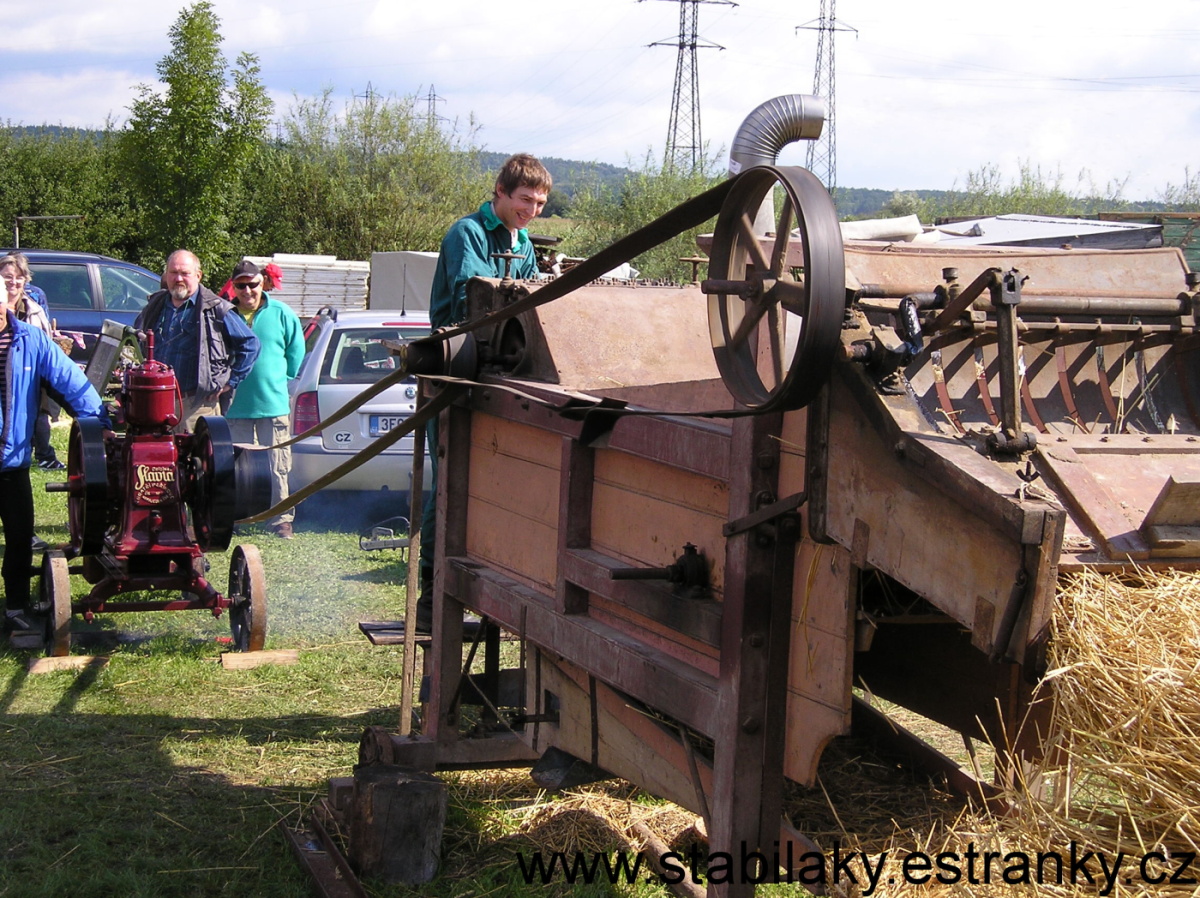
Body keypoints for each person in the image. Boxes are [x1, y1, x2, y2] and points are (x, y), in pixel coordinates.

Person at [416, 153, 552, 631]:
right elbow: (473, 295)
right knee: (451, 483)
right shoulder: (466, 234)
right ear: (500, 192)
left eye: (539, 202)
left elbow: (529, 300)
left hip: (500, 372)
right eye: (524, 199)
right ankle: (432, 592)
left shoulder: (524, 241)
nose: (531, 209)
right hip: (457, 370)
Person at [0, 291, 111, 634]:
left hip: (11, 463)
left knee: (19, 540)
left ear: (5, 303)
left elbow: (71, 384)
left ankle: (16, 607)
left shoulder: (30, 340)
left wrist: (99, 426)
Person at [135, 250, 260, 433]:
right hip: (155, 403)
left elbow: (251, 345)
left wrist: (230, 382)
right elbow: (139, 338)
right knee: (155, 459)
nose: (178, 278)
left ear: (198, 276)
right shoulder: (155, 306)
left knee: (196, 460)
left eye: (185, 273)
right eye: (173, 273)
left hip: (197, 406)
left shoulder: (215, 308)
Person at [224, 260, 305, 539]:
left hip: (273, 404)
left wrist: (279, 381)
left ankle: (281, 520)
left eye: (253, 284)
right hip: (235, 405)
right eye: (241, 285)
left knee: (278, 466)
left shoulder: (282, 313)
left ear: (263, 284)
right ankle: (233, 517)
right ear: (233, 287)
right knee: (232, 467)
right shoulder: (224, 314)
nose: (248, 290)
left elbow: (296, 352)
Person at [0, 253, 65, 470]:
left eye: (19, 277)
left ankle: (43, 454)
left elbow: (45, 342)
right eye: (8, 276)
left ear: (25, 279)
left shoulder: (33, 308)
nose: (13, 281)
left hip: (30, 373)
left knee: (39, 412)